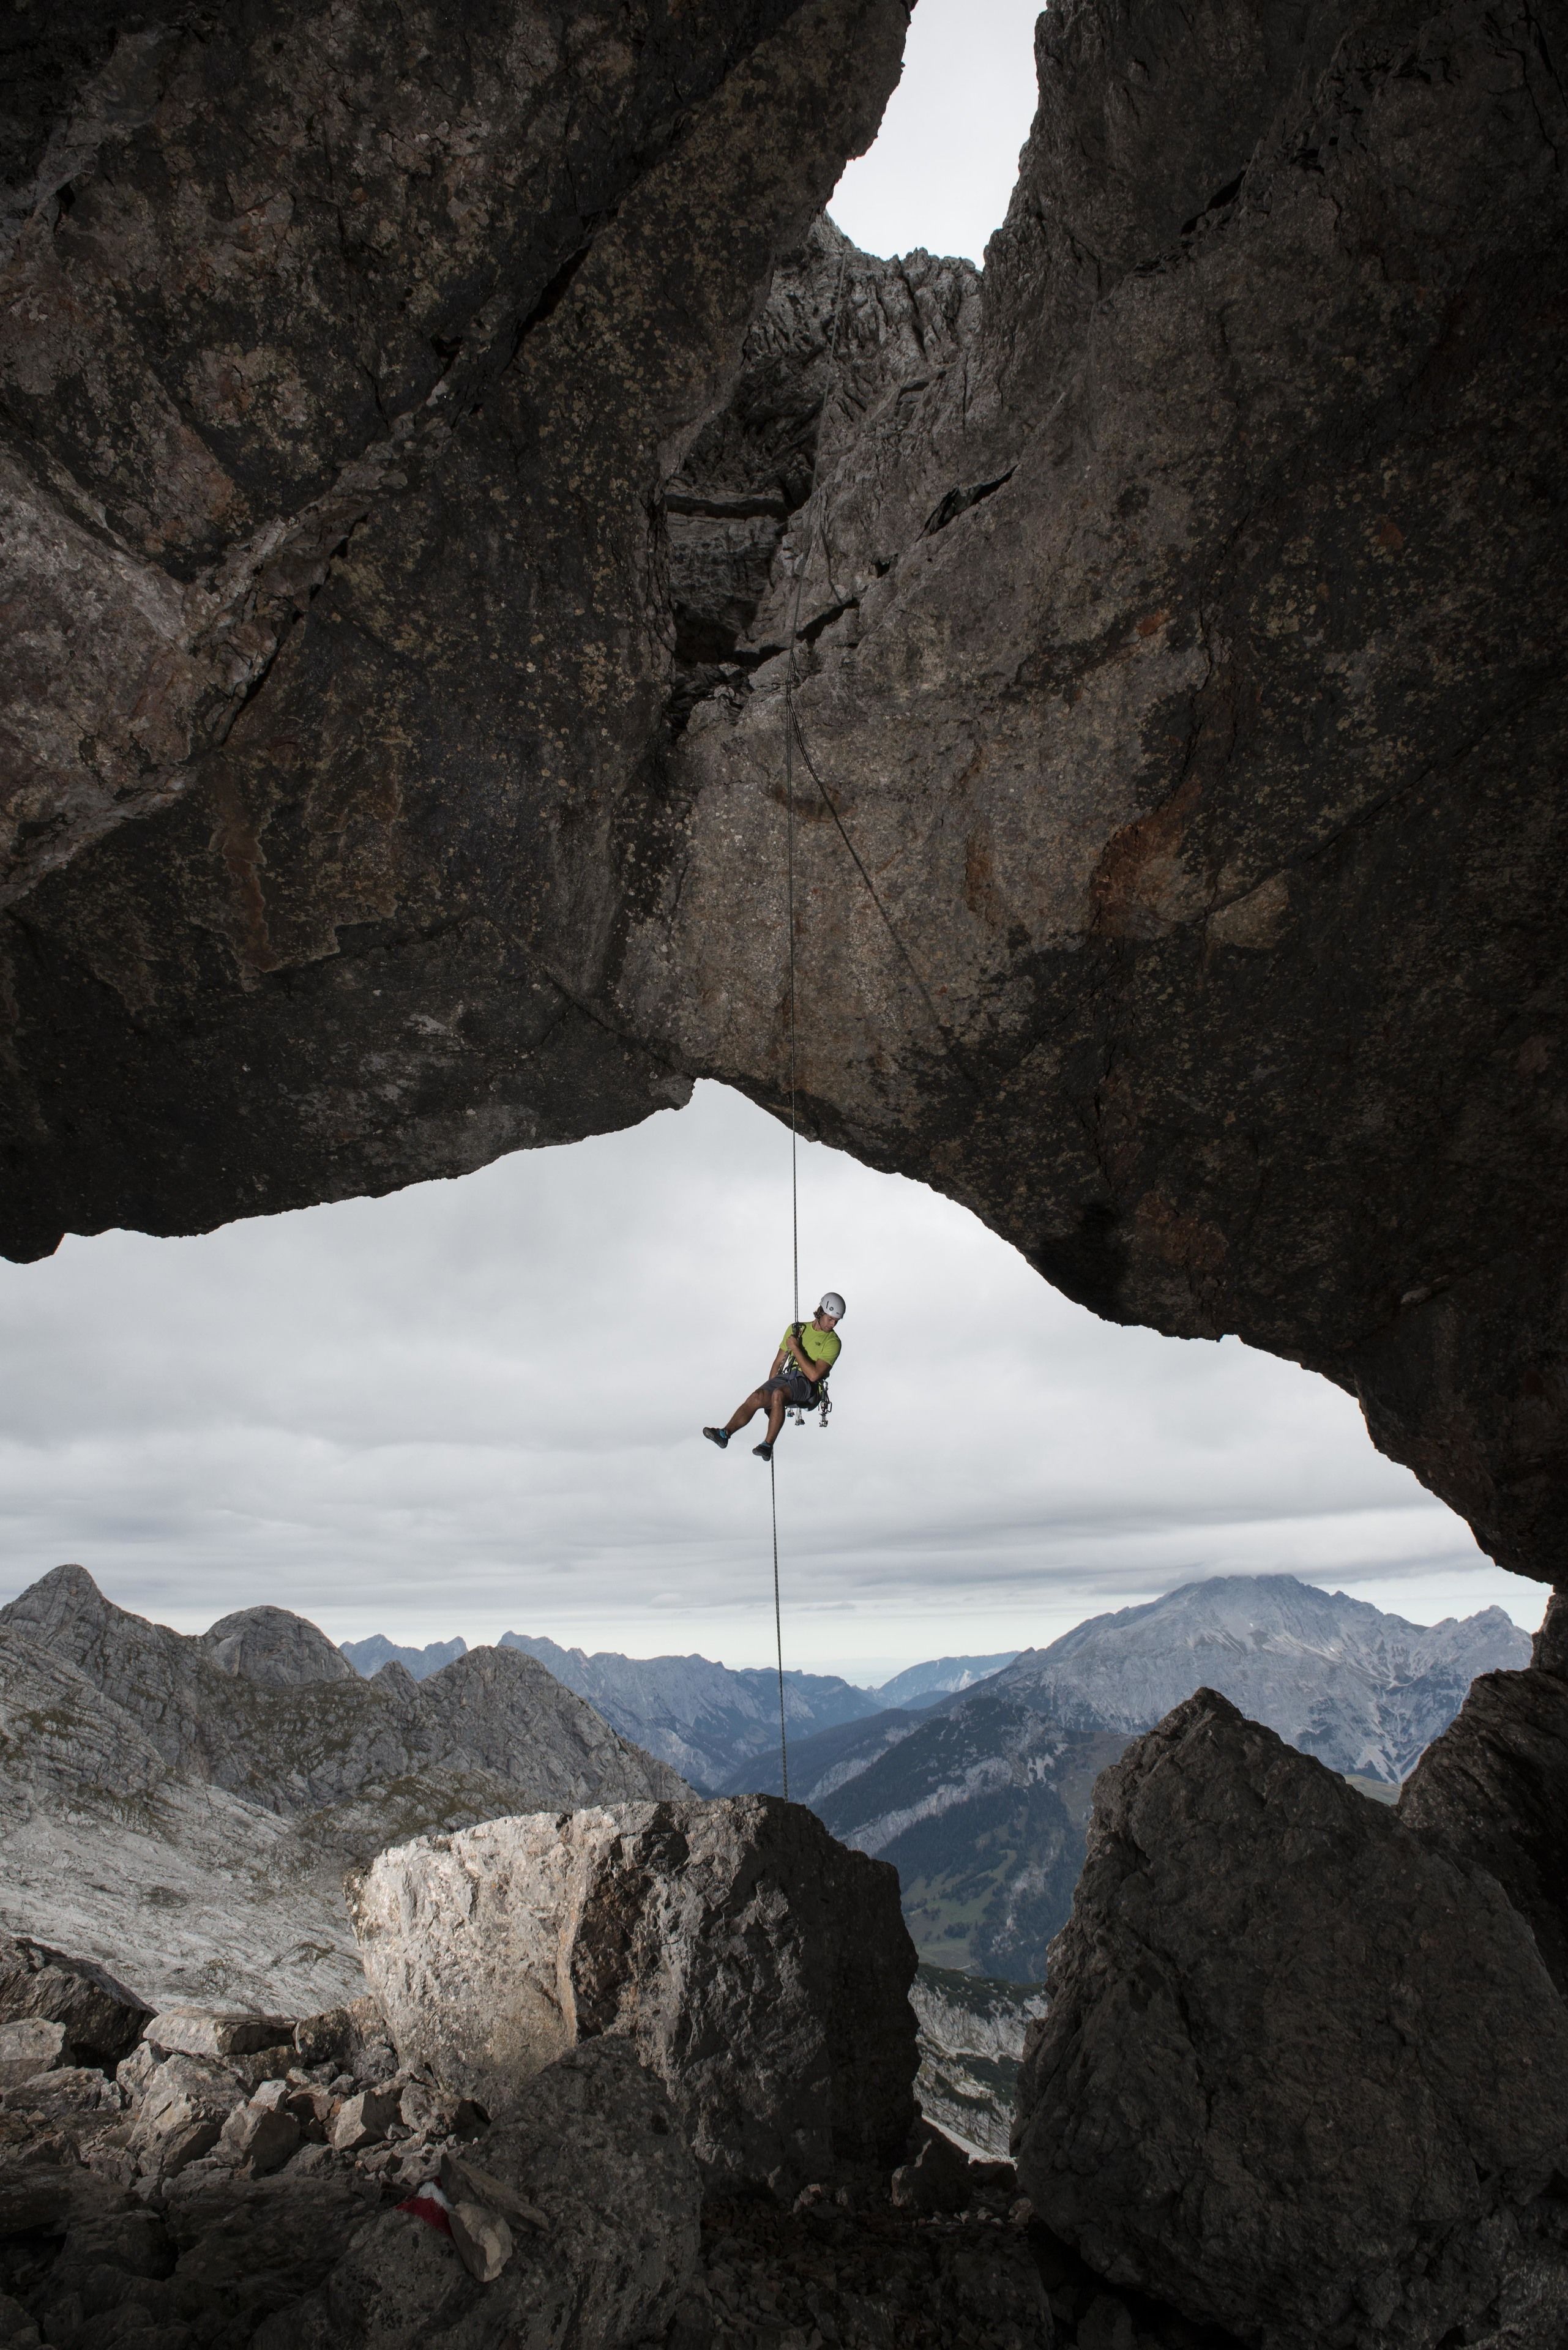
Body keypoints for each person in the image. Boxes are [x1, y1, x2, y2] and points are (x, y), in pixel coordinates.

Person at [704, 1293, 845, 1461]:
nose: (833, 1324)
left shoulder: (833, 1342)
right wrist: (768, 1394)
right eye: (830, 1319)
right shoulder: (797, 1330)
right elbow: (779, 1362)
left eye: (836, 1321)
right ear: (821, 1312)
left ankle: (767, 1445)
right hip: (788, 1377)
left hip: (808, 1385)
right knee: (758, 1397)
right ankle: (724, 1434)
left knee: (779, 1394)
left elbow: (814, 1375)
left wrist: (796, 1348)